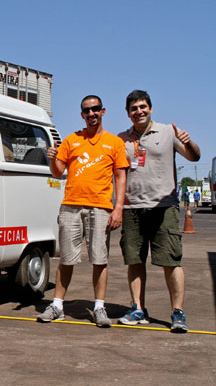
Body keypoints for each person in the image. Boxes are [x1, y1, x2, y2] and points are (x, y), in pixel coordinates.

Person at [37, 95, 129, 327]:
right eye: (87, 111)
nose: (91, 114)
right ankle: (57, 305)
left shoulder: (114, 143)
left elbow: (120, 176)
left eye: (95, 109)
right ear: (82, 114)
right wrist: (52, 159)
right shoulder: (72, 140)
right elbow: (58, 172)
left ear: (103, 111)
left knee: (99, 259)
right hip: (71, 206)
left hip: (101, 207)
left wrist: (118, 208)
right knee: (66, 258)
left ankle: (99, 308)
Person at [117, 90, 200, 332]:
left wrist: (188, 141)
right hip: (133, 208)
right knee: (134, 260)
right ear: (128, 113)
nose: (139, 111)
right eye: (134, 108)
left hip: (164, 208)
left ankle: (177, 312)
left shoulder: (167, 132)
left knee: (171, 261)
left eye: (142, 107)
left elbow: (194, 157)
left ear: (150, 108)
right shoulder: (121, 139)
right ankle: (137, 308)